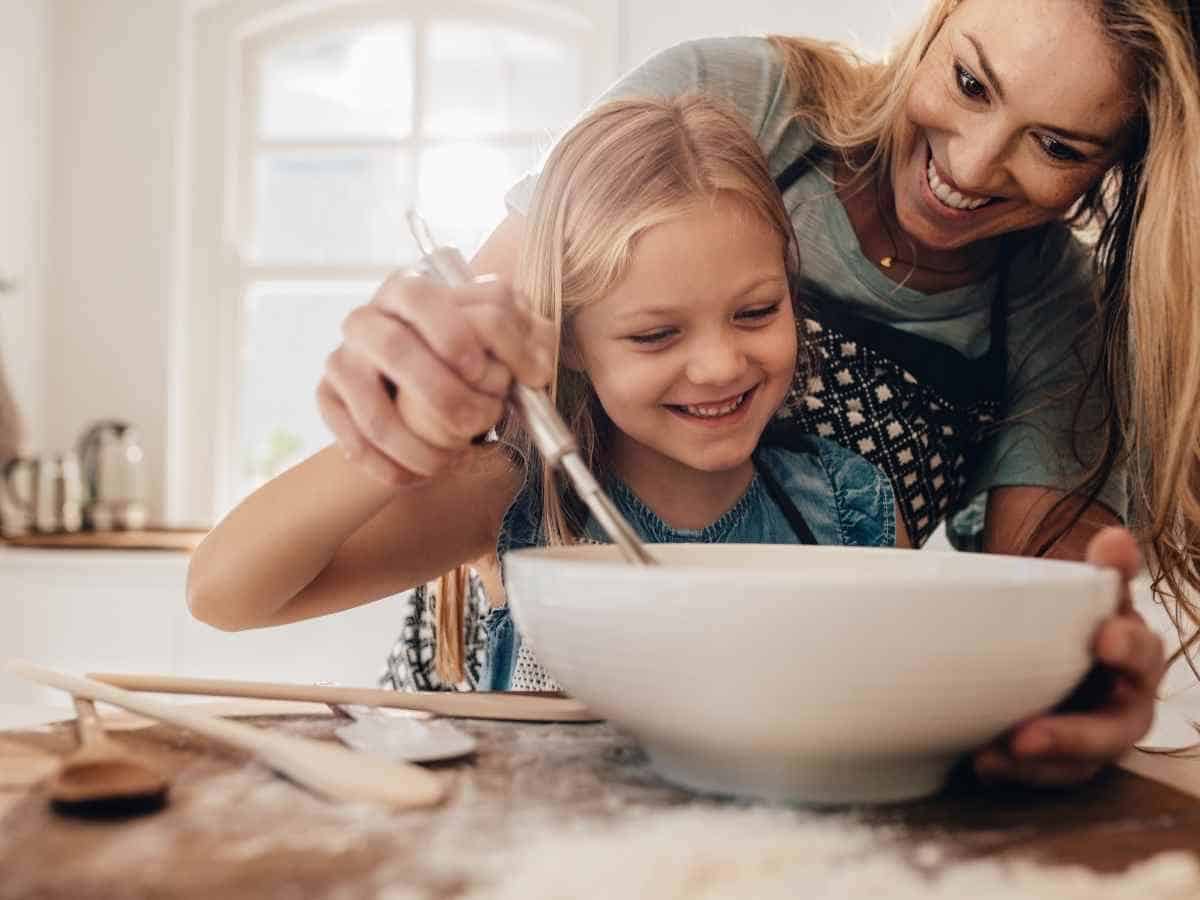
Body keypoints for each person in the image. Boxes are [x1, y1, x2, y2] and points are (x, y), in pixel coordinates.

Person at [308, 0, 1200, 787]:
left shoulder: (1061, 317)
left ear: (1117, 169)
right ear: (938, 17)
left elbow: (1030, 626)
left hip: (778, 764)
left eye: (1056, 146)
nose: (969, 167)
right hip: (495, 695)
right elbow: (498, 363)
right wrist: (416, 381)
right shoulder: (739, 102)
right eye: (969, 81)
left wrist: (1067, 694)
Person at [188, 95, 907, 695]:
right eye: (656, 335)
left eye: (756, 312)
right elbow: (224, 595)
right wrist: (409, 430)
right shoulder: (513, 500)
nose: (720, 365)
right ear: (567, 341)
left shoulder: (850, 507)